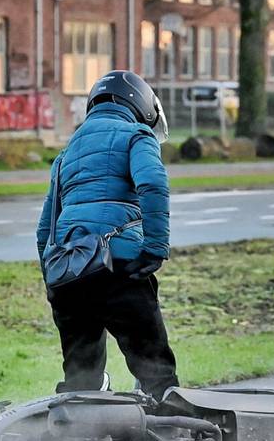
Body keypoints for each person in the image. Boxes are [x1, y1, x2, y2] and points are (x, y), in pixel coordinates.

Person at [36, 70, 179, 401]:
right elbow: (153, 184)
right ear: (141, 103)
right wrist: (155, 248)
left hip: (69, 275)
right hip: (119, 267)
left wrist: (53, 283)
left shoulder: (65, 155)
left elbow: (45, 230)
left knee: (81, 380)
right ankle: (174, 440)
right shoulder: (136, 135)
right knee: (155, 371)